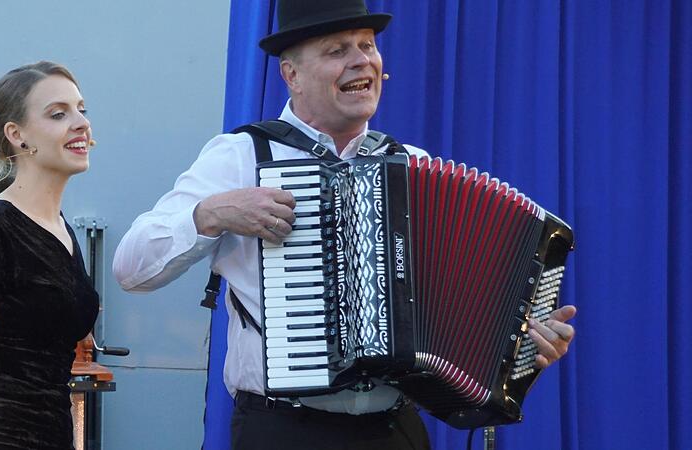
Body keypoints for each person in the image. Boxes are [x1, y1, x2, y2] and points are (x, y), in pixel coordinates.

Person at [113, 1, 577, 449]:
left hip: (395, 432)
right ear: (290, 74)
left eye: (368, 46)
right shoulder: (241, 157)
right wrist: (212, 213)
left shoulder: (412, 167)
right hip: (283, 432)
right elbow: (132, 268)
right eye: (338, 51)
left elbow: (468, 310)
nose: (362, 62)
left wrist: (521, 348)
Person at [0, 61, 98, 450]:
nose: (80, 123)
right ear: (17, 135)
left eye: (81, 109)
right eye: (59, 114)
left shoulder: (63, 230)